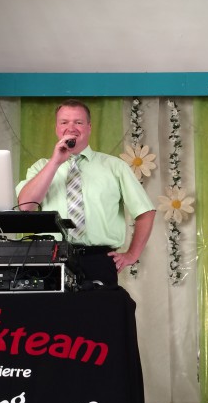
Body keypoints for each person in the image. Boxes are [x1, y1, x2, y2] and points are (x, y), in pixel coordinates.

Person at [16, 99, 155, 286]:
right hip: (50, 258)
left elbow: (145, 211)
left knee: (100, 306)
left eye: (78, 122)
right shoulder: (40, 167)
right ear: (57, 128)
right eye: (64, 122)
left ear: (89, 127)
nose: (71, 127)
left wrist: (132, 254)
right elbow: (26, 207)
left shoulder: (115, 167)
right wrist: (55, 162)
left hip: (98, 259)